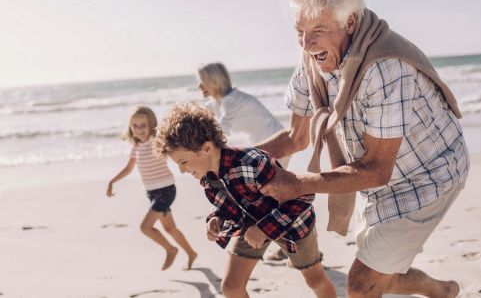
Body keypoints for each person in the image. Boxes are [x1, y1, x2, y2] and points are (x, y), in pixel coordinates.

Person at [256, 0, 469, 297]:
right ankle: (441, 290)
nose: (306, 42)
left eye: (318, 29)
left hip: (428, 176)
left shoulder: (384, 67)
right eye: (299, 30)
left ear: (350, 22)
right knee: (377, 274)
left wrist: (299, 183)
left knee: (360, 283)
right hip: (371, 179)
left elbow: (377, 169)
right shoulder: (312, 61)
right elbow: (295, 138)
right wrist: (229, 158)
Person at [153, 102, 337, 298]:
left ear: (206, 148)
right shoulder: (207, 177)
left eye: (183, 162)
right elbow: (230, 205)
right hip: (250, 225)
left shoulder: (252, 163)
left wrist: (263, 229)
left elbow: (303, 196)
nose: (181, 170)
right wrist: (216, 219)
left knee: (315, 280)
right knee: (231, 287)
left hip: (293, 225)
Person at [197, 62, 289, 261]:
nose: (199, 86)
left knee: (272, 197)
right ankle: (291, 244)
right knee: (272, 197)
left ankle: (291, 245)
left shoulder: (231, 100)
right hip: (264, 146)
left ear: (213, 82)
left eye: (202, 81)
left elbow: (221, 132)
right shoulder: (218, 103)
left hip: (275, 143)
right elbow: (207, 119)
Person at [106, 106, 197, 271]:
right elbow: (128, 168)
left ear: (151, 125)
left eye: (143, 125)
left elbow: (176, 154)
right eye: (135, 125)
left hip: (166, 190)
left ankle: (171, 250)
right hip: (152, 192)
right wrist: (112, 181)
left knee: (145, 227)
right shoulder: (136, 146)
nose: (139, 129)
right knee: (170, 228)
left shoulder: (157, 141)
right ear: (130, 127)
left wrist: (192, 166)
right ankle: (191, 253)